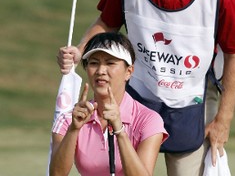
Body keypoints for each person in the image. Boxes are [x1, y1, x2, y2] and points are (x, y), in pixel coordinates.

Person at [57, 0, 235, 175]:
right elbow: (108, 22)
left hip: (192, 101)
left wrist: (223, 120)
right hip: (137, 93)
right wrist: (81, 49)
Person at [50, 32, 168, 176]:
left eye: (110, 63)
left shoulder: (148, 120)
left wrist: (120, 131)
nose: (101, 71)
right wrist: (74, 130)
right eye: (94, 63)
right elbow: (56, 174)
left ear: (129, 72)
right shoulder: (69, 119)